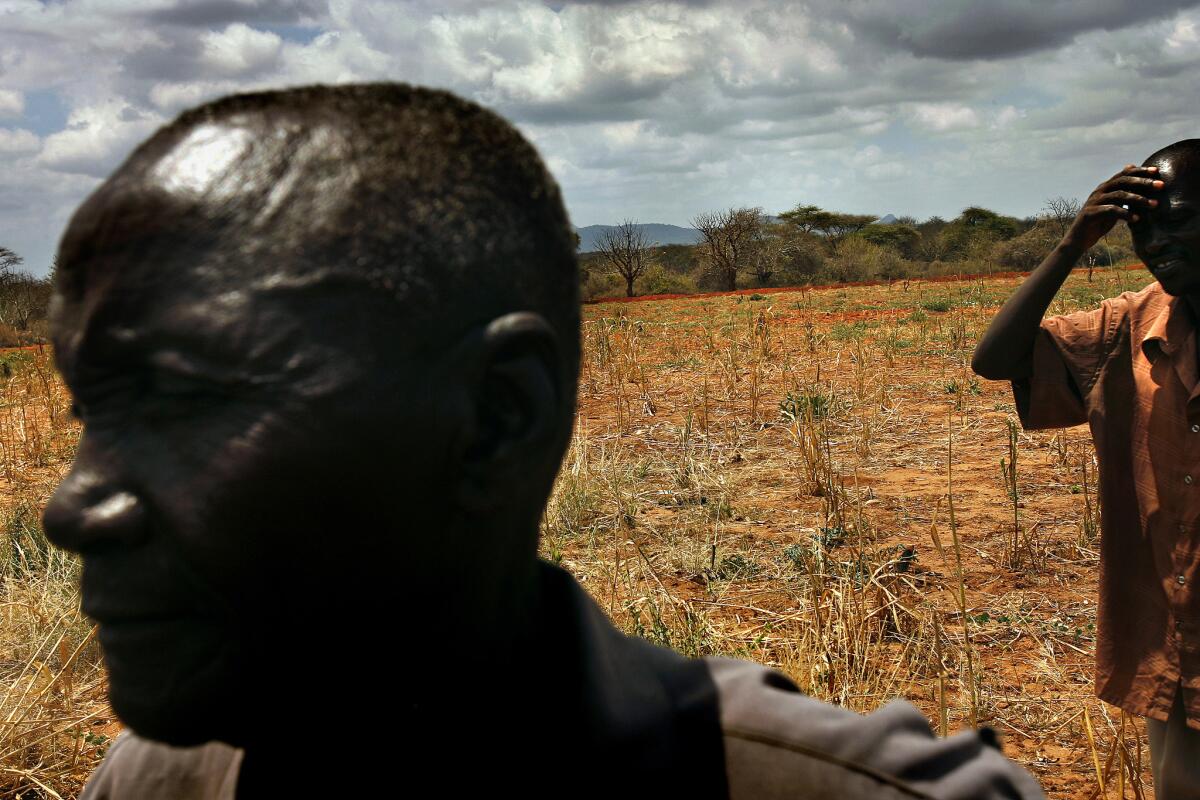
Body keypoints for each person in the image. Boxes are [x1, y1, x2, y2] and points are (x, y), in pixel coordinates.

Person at [45, 83, 1042, 799]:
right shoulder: (155, 778)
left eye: (182, 400)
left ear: (495, 418)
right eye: (93, 412)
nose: (69, 507)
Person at [972, 141, 1200, 799]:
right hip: (1179, 636)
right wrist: (1073, 243)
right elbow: (996, 359)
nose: (1157, 243)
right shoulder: (1131, 324)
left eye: (1178, 221)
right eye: (1141, 229)